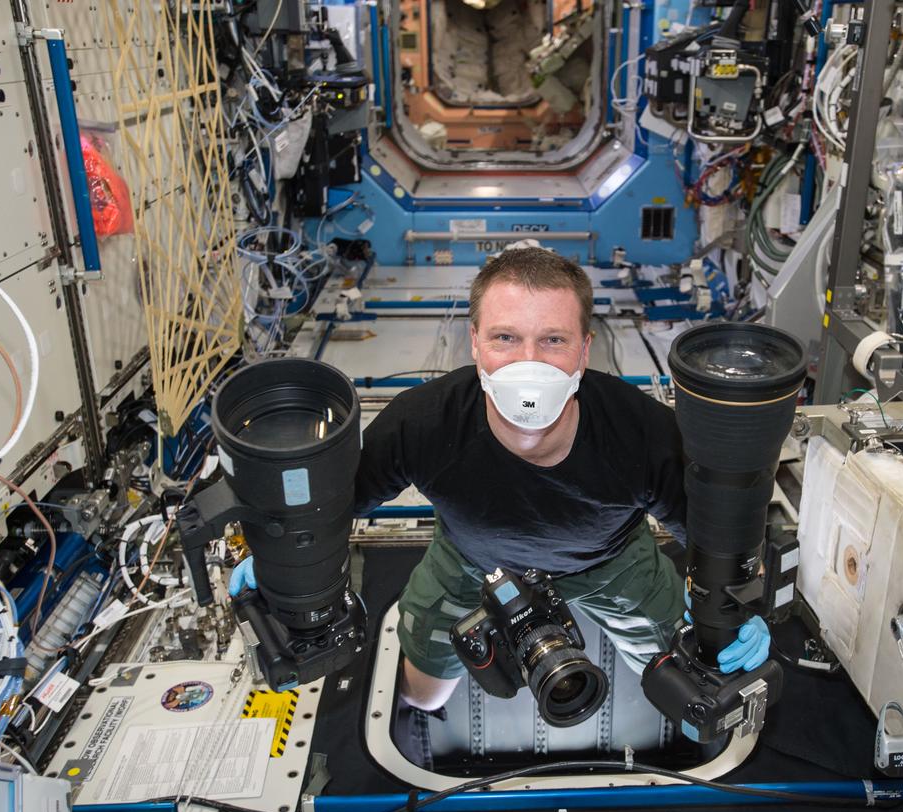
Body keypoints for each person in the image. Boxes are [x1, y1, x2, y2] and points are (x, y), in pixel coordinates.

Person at [231, 247, 770, 712]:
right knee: (423, 696)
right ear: (475, 344)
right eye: (506, 338)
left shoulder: (645, 433)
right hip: (469, 563)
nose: (527, 365)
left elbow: (716, 538)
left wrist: (739, 608)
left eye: (553, 341)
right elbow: (337, 503)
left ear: (584, 351)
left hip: (612, 564)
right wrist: (286, 560)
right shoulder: (423, 422)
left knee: (703, 684)